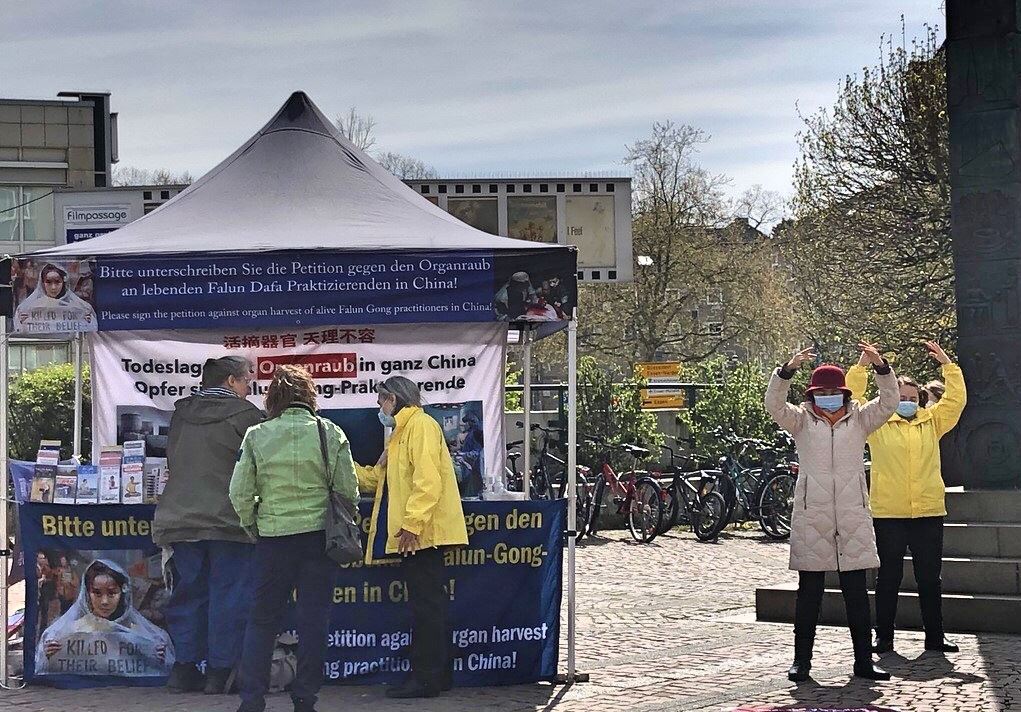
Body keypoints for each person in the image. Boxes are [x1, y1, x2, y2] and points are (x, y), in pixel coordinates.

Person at [765, 343, 899, 683]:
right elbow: (774, 404)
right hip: (814, 515)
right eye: (821, 393)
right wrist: (786, 371)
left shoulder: (861, 419)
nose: (827, 398)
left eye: (833, 392)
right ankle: (802, 661)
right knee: (809, 594)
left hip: (852, 514)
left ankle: (864, 662)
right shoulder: (801, 421)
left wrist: (882, 368)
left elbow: (889, 402)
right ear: (812, 395)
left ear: (844, 393)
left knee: (857, 595)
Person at [230, 365, 358, 712]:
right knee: (313, 620)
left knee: (262, 620)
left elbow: (239, 492)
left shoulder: (257, 435)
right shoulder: (330, 433)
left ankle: (252, 700)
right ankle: (305, 697)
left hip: (273, 540)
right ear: (309, 397)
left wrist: (252, 525)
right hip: (319, 539)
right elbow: (348, 490)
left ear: (274, 398)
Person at [846, 341, 967, 655]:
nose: (908, 402)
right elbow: (853, 400)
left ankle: (935, 637)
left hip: (928, 511)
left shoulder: (932, 422)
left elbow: (955, 400)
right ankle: (884, 638)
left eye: (913, 398)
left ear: (921, 400)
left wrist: (948, 365)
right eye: (902, 398)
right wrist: (861, 367)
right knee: (888, 578)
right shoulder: (877, 423)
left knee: (930, 578)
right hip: (889, 513)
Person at [153, 356, 264, 695]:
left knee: (188, 593)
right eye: (247, 381)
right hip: (229, 520)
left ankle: (183, 669)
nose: (249, 389)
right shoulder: (246, 416)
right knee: (228, 597)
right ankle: (220, 672)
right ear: (231, 381)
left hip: (180, 519)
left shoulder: (181, 414)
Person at [356, 376, 469, 698]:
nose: (379, 408)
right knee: (429, 606)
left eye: (381, 401)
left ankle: (426, 679)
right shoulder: (402, 433)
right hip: (420, 534)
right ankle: (437, 675)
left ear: (393, 399)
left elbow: (427, 483)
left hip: (424, 535)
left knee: (426, 609)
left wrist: (412, 525)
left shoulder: (420, 427)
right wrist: (342, 467)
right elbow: (378, 479)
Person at [36, 559, 173, 675]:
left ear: (123, 593)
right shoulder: (66, 633)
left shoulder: (143, 634)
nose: (104, 601)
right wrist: (47, 656)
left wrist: (160, 659)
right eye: (97, 593)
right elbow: (41, 669)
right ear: (87, 594)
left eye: (112, 593)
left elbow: (165, 671)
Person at [14, 262, 97, 332]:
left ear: (64, 282)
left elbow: (91, 331)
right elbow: (19, 332)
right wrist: (21, 322)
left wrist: (87, 322)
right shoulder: (30, 307)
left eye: (57, 282)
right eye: (48, 282)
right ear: (42, 283)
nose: (53, 287)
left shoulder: (79, 307)